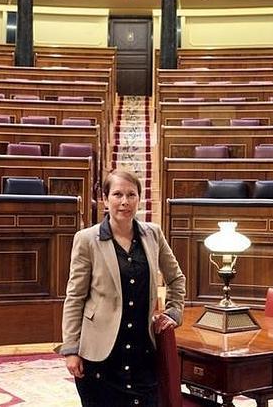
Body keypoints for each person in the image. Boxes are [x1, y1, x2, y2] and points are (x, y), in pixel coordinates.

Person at [58, 169, 186, 407]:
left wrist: (173, 311)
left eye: (131, 194)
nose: (124, 202)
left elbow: (176, 278)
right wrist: (71, 349)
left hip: (143, 352)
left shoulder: (153, 234)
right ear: (105, 199)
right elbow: (74, 298)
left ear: (139, 198)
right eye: (117, 194)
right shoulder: (87, 240)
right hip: (100, 356)